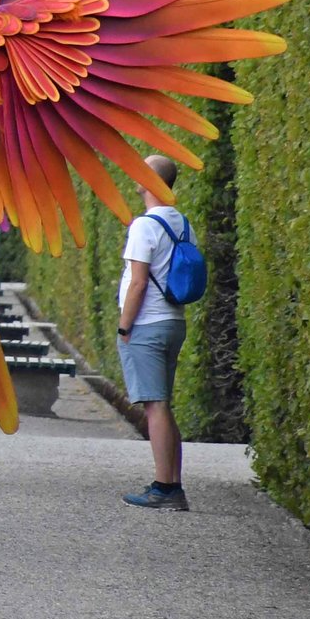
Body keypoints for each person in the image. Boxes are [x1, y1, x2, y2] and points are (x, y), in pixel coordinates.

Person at [118, 154, 192, 511]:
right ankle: (173, 484)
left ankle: (164, 488)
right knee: (164, 404)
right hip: (174, 321)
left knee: (156, 406)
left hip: (146, 324)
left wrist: (124, 326)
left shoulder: (145, 226)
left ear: (150, 181)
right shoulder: (182, 223)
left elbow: (138, 283)